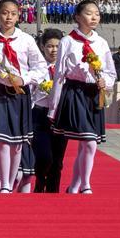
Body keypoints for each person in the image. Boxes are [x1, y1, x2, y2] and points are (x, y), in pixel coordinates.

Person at [0, 0, 48, 194]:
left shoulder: (26, 40)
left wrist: (24, 79)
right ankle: (4, 184)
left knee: (17, 145)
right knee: (2, 141)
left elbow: (40, 67)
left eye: (13, 13)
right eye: (5, 13)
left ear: (18, 16)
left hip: (19, 94)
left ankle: (11, 181)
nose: (9, 17)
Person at [49, 0, 117, 194]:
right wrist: (54, 107)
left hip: (94, 95)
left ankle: (76, 185)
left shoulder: (101, 43)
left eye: (97, 13)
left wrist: (105, 81)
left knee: (88, 142)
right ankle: (86, 184)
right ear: (78, 16)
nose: (94, 17)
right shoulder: (68, 41)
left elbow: (111, 73)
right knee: (88, 140)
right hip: (75, 93)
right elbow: (59, 74)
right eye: (89, 13)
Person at [32, 29, 68, 193]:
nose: (54, 50)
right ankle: (40, 181)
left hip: (60, 115)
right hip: (40, 114)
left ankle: (53, 191)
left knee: (58, 159)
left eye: (57, 46)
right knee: (44, 155)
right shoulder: (36, 68)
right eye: (49, 46)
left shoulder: (67, 67)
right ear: (42, 47)